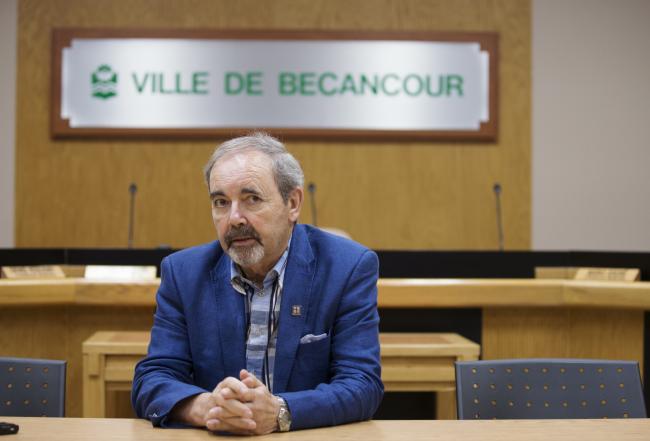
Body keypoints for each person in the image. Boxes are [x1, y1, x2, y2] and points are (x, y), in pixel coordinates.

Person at [132, 133, 383, 434]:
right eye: (221, 202)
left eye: (252, 199)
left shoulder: (347, 268)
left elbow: (362, 384)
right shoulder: (183, 273)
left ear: (293, 203)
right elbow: (153, 379)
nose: (235, 218)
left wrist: (280, 412)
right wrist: (208, 407)